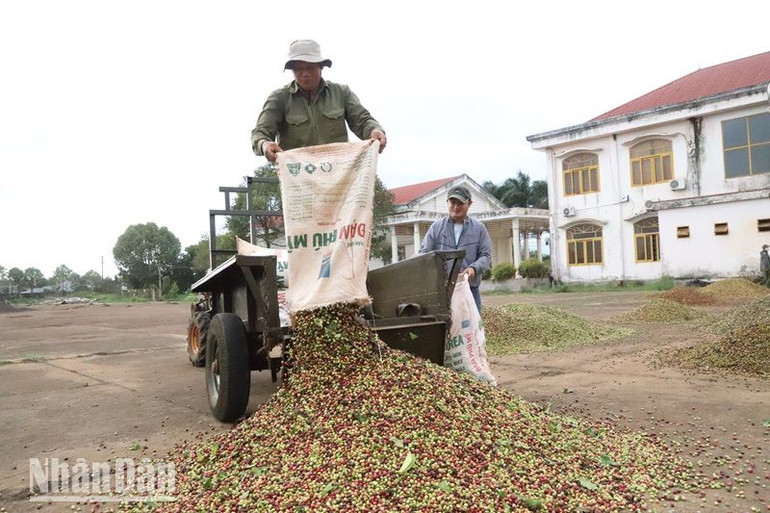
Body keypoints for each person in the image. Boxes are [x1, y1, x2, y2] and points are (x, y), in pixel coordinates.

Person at [251, 39, 387, 163]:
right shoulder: (279, 98)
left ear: (321, 67)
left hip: (339, 173)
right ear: (292, 70)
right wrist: (264, 145)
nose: (304, 73)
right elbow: (260, 133)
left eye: (310, 67)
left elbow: (363, 121)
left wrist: (375, 130)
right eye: (298, 68)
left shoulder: (341, 93)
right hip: (297, 177)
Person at [420, 185, 492, 313]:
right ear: (447, 202)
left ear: (469, 203)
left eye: (460, 203)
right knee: (444, 329)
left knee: (472, 330)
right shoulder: (436, 227)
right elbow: (424, 254)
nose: (456, 207)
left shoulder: (479, 229)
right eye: (453, 202)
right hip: (442, 291)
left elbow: (485, 255)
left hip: (469, 289)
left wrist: (473, 269)